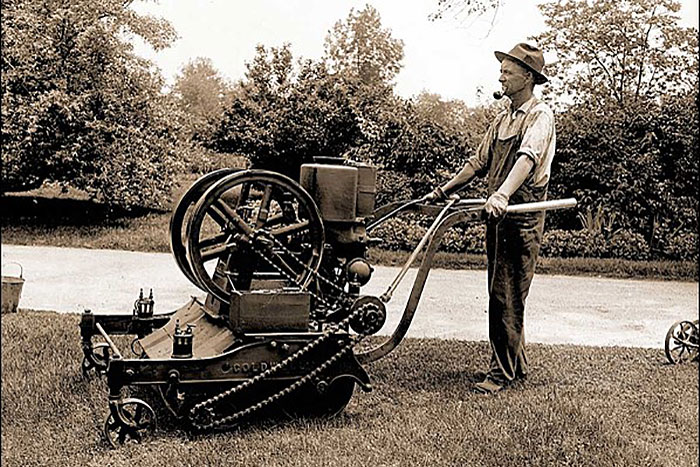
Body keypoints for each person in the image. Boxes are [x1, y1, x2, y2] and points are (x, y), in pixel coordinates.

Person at [424, 43, 556, 394]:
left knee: (506, 294)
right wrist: (441, 191)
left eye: (508, 71)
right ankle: (517, 363)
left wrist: (501, 194)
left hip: (520, 214)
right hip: (498, 214)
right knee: (503, 291)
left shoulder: (539, 116)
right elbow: (477, 163)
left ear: (527, 77)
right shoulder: (503, 119)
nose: (501, 75)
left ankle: (501, 373)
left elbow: (526, 159)